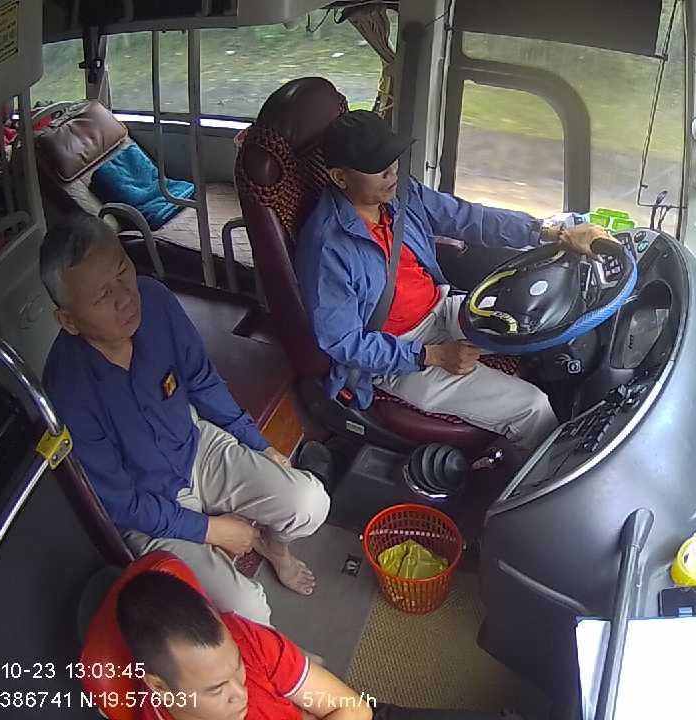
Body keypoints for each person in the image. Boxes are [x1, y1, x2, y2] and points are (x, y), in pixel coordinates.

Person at [40, 213, 331, 625]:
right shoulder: (67, 389)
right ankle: (216, 552)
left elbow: (202, 381)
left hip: (195, 446)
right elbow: (122, 504)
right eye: (103, 295)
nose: (126, 298)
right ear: (69, 320)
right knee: (248, 611)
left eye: (123, 270)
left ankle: (273, 547)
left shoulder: (155, 301)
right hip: (148, 504)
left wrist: (259, 445)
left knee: (309, 502)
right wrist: (211, 530)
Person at [295, 110, 615, 452]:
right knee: (532, 409)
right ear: (340, 177)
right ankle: (548, 477)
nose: (392, 171)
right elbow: (345, 343)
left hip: (442, 309)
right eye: (377, 166)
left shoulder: (401, 194)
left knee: (556, 328)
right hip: (398, 354)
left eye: (392, 158)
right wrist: (433, 355)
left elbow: (469, 218)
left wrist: (551, 232)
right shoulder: (327, 247)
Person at [116, 570, 523, 720]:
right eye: (216, 690)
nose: (241, 693)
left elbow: (353, 709)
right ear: (159, 687)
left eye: (237, 668)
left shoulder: (243, 637)